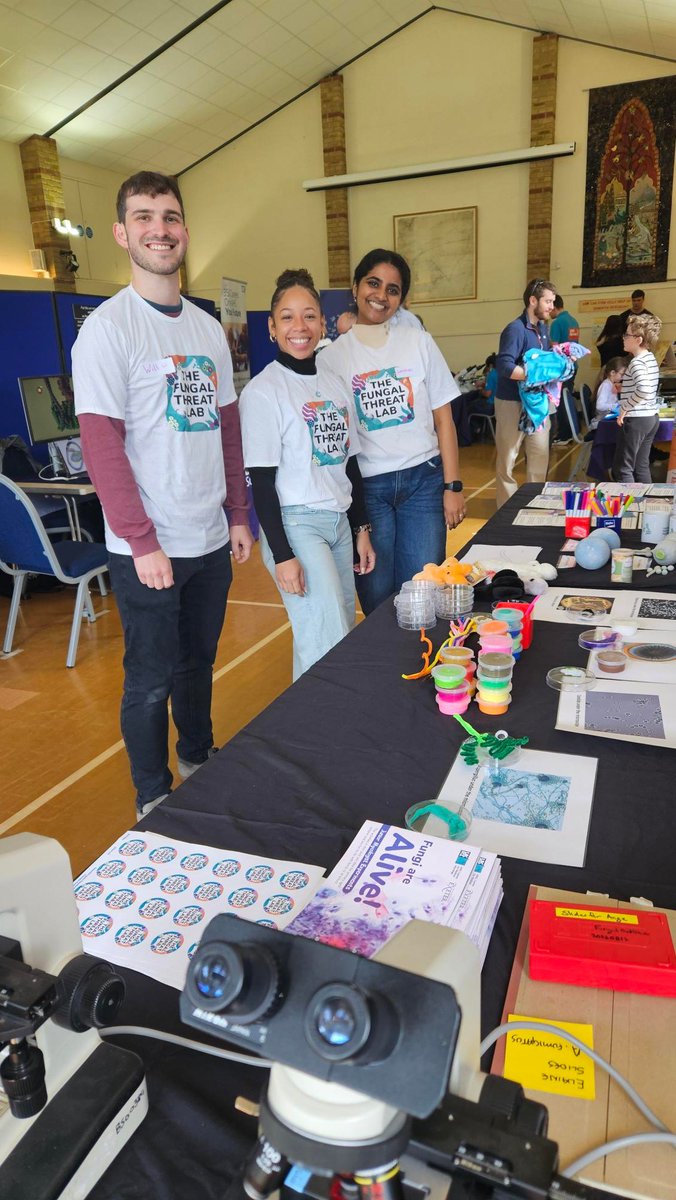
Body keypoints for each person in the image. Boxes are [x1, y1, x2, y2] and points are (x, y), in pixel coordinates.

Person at [72, 171, 252, 819]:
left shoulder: (206, 330)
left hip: (208, 537)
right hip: (147, 548)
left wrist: (238, 513)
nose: (160, 229)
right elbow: (101, 448)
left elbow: (229, 434)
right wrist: (142, 541)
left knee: (197, 662)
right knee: (149, 680)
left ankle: (198, 757)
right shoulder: (107, 330)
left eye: (170, 217)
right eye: (144, 217)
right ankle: (154, 796)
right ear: (122, 233)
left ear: (184, 231)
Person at [240, 268, 375, 680]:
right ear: (271, 326)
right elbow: (261, 482)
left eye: (309, 315)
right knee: (328, 641)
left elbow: (348, 463)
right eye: (287, 316)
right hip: (296, 526)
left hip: (338, 523)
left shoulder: (333, 383)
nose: (299, 327)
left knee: (331, 635)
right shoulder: (263, 392)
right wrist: (283, 556)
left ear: (322, 322)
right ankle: (327, 732)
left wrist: (361, 528)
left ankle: (307, 732)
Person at [319, 248, 464, 615]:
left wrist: (453, 486)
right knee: (376, 597)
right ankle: (386, 670)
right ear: (355, 287)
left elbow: (444, 420)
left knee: (423, 591)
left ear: (402, 299)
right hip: (368, 492)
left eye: (393, 289)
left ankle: (421, 665)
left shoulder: (419, 343)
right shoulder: (331, 359)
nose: (381, 295)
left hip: (423, 483)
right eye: (373, 283)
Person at [494, 278, 556, 509]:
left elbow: (546, 362)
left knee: (539, 457)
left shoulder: (543, 329)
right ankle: (506, 513)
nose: (551, 306)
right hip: (511, 402)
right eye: (547, 301)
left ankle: (534, 507)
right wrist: (535, 374)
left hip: (537, 403)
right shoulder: (515, 329)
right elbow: (505, 366)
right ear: (533, 301)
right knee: (508, 461)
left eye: (552, 301)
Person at [613, 313, 662, 484]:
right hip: (650, 418)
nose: (623, 338)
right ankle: (647, 505)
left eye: (627, 335)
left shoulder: (636, 362)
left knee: (623, 469)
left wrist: (625, 407)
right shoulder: (650, 358)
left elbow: (644, 389)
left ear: (638, 340)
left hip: (637, 420)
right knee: (641, 466)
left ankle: (630, 509)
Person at [592, 356, 629, 426]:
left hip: (607, 418)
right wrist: (616, 405)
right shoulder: (605, 385)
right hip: (602, 422)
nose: (623, 378)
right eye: (622, 374)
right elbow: (599, 406)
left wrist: (622, 403)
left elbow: (612, 402)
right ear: (612, 372)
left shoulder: (611, 384)